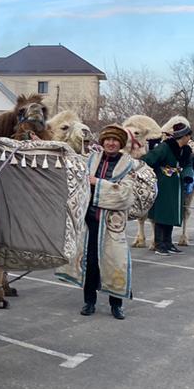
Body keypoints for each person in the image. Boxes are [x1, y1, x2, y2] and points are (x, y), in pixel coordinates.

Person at [58, 124, 157, 320]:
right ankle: (89, 301)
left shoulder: (129, 165)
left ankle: (116, 304)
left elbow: (125, 196)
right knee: (90, 262)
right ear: (102, 142)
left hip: (112, 224)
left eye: (115, 140)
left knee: (115, 263)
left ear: (120, 143)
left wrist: (97, 183)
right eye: (107, 140)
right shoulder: (90, 161)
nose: (111, 143)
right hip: (89, 222)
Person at [143, 122, 192, 254]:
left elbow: (187, 165)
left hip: (176, 184)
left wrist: (188, 176)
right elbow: (149, 159)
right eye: (189, 135)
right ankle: (159, 244)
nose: (190, 138)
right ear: (184, 136)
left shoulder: (186, 150)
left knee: (171, 213)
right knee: (162, 212)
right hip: (163, 183)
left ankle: (168, 242)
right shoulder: (165, 147)